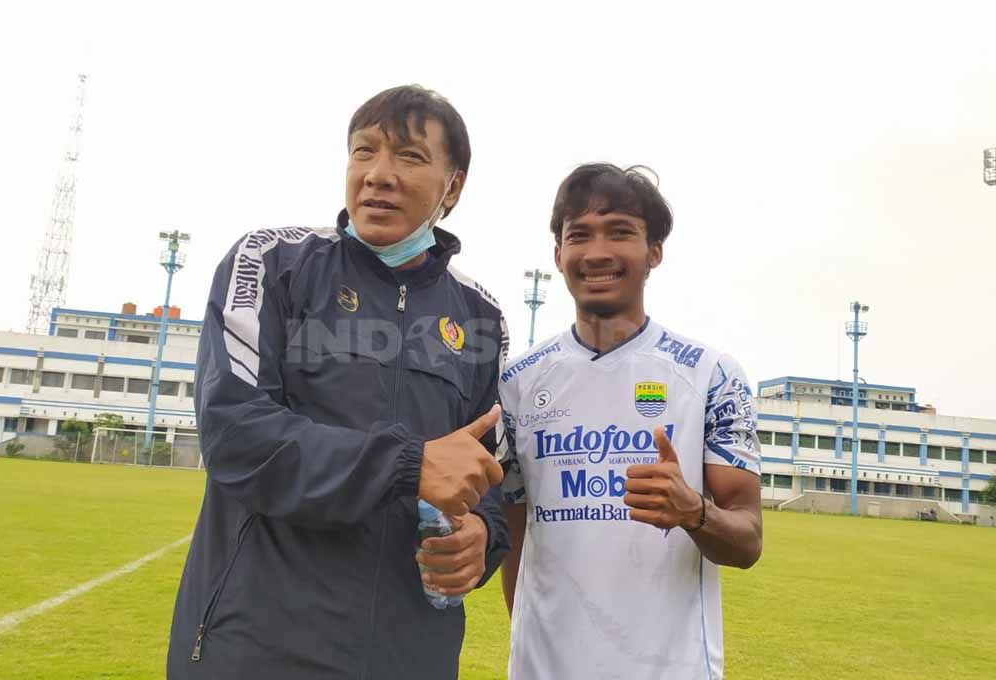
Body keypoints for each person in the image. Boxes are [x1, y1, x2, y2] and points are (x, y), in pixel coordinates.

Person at [166, 85, 510, 679]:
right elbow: (234, 433)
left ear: (453, 186)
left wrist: (482, 537)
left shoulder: (482, 317)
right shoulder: (271, 263)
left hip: (413, 657)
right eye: (363, 151)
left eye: (409, 156)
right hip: (258, 651)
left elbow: (489, 475)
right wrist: (406, 464)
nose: (378, 175)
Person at [498, 163, 763, 680]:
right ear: (558, 255)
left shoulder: (711, 376)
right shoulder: (516, 384)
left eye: (620, 232)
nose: (597, 252)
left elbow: (749, 540)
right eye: (579, 235)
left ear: (654, 252)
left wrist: (694, 512)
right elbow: (513, 540)